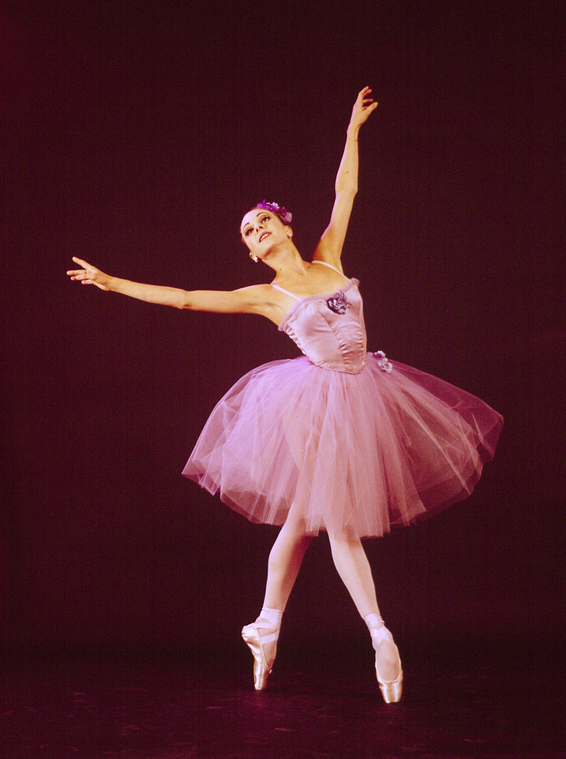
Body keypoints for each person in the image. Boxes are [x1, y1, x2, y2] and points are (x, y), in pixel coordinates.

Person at [67, 87, 503, 703]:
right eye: (249, 230)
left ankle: (266, 625)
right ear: (251, 251)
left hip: (365, 389)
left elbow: (345, 191)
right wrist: (111, 283)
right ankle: (380, 635)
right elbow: (186, 298)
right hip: (308, 404)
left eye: (263, 219)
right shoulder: (265, 296)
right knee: (338, 519)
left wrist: (352, 131)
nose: (257, 229)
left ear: (283, 225)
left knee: (303, 522)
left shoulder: (329, 256)